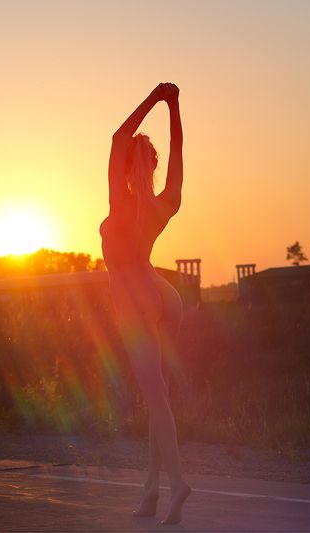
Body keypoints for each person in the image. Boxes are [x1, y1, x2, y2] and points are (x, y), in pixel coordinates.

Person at [99, 82, 190, 525]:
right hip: (163, 295)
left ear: (127, 166)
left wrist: (156, 96)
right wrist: (173, 108)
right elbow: (177, 153)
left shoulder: (121, 203)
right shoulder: (162, 204)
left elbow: (118, 139)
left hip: (134, 298)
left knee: (155, 398)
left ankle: (177, 483)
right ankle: (152, 491)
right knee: (161, 397)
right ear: (151, 166)